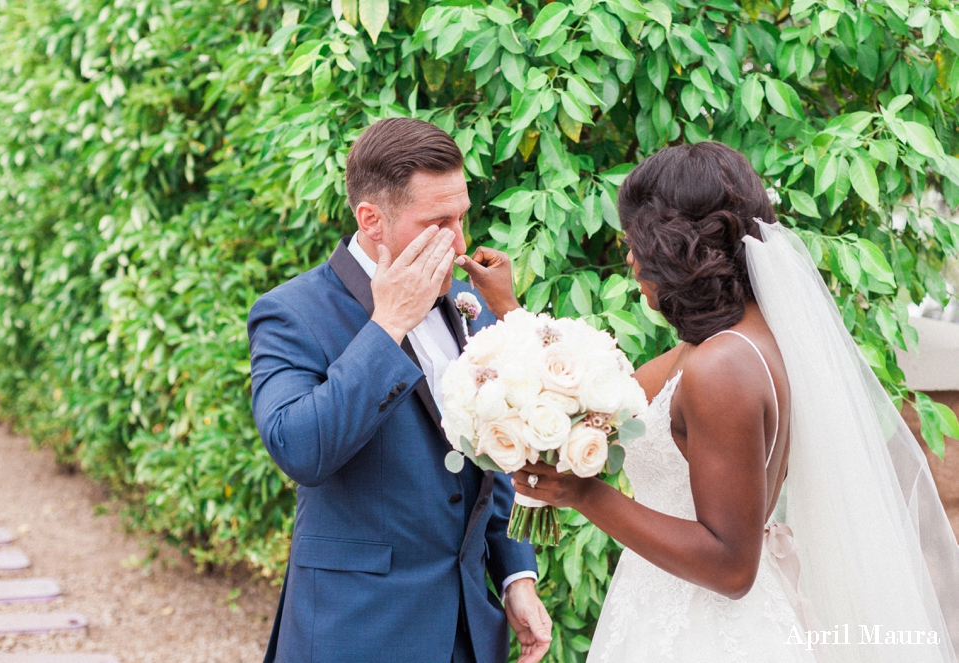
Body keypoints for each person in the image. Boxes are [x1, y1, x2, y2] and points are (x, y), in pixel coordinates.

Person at [465, 142, 959, 662]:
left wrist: (587, 497)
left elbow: (731, 565)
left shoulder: (723, 367)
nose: (630, 258)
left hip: (709, 634)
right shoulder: (717, 345)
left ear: (672, 244)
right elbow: (598, 404)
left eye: (636, 240)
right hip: (666, 608)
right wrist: (509, 311)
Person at [248, 118, 552, 663]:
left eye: (461, 216)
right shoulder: (291, 313)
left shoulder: (467, 304)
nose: (459, 242)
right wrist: (386, 327)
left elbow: (492, 449)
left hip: (467, 631)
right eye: (438, 222)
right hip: (357, 630)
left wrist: (515, 576)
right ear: (372, 221)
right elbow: (299, 449)